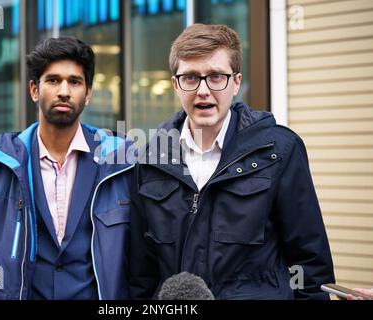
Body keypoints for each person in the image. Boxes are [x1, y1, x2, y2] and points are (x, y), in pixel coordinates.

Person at [129, 24, 335, 300]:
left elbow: (309, 264)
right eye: (190, 78)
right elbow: (142, 273)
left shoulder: (280, 151)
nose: (203, 90)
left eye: (216, 77)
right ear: (175, 85)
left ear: (236, 82)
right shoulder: (151, 159)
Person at [0, 37, 133, 299]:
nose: (64, 91)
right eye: (53, 80)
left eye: (74, 81)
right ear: (34, 90)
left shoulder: (119, 161)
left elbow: (135, 255)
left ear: (88, 93)